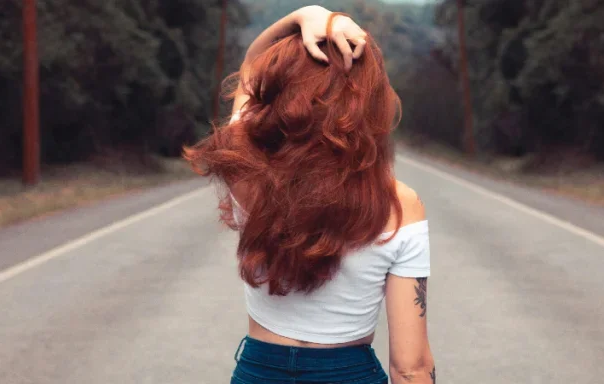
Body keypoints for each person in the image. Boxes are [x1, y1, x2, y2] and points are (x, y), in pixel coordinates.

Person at [185, 5, 435, 384]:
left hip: (258, 373)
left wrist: (305, 16)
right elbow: (411, 367)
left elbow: (251, 70)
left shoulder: (247, 172)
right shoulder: (399, 206)